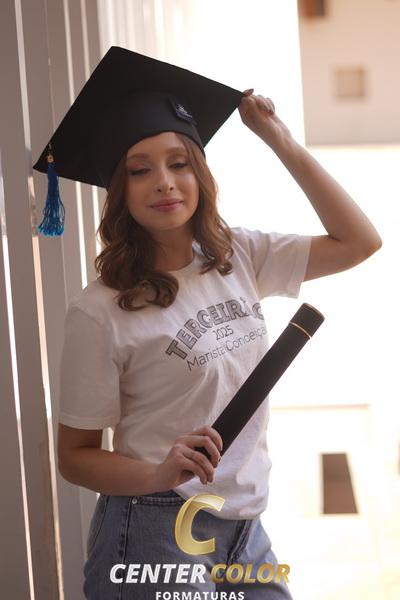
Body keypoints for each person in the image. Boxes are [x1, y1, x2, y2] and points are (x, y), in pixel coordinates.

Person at [34, 47, 382, 599]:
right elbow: (75, 458)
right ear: (120, 190)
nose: (164, 183)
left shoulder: (237, 255)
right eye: (140, 170)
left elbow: (359, 242)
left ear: (199, 173)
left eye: (179, 163)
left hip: (245, 529)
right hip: (153, 527)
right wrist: (158, 472)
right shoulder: (100, 310)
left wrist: (279, 139)